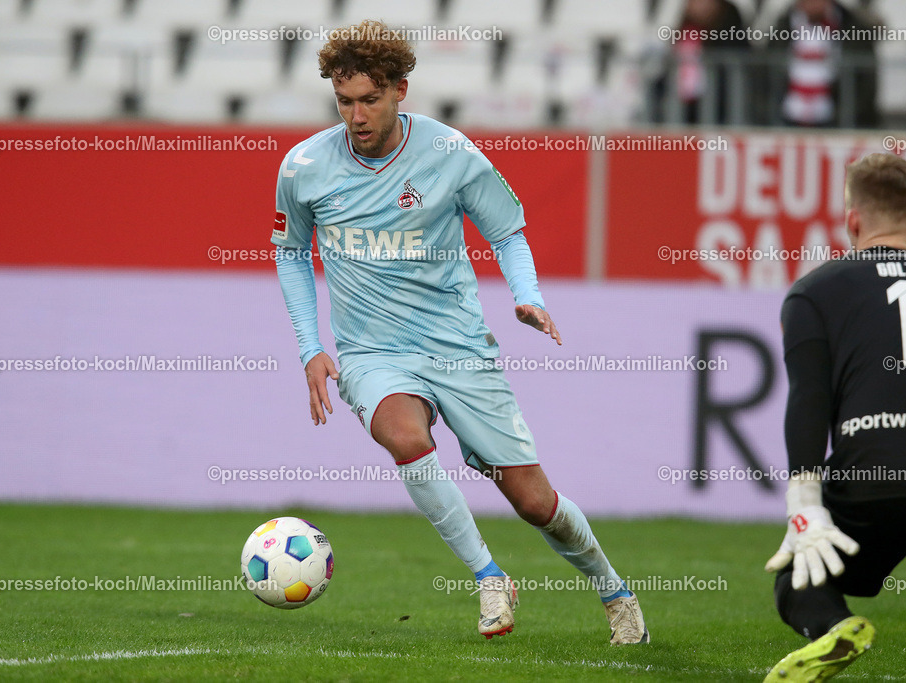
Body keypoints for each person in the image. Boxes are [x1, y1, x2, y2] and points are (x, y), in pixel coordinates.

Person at [271, 20, 647, 644]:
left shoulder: (450, 153)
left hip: (458, 347)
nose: (356, 116)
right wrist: (311, 348)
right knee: (403, 435)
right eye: (344, 101)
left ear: (400, 90)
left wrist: (527, 297)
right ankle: (489, 576)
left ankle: (614, 591)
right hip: (372, 352)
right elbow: (290, 253)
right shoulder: (304, 166)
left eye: (370, 99)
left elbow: (507, 232)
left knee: (535, 503)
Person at [763, 153, 906, 681]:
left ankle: (834, 627)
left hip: (873, 480)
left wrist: (804, 502)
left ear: (852, 219)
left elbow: (809, 399)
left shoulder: (813, 292)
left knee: (799, 574)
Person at [766, 0, 877, 128]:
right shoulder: (784, 25)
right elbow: (765, 72)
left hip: (835, 121)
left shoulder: (851, 26)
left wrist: (848, 116)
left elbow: (865, 80)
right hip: (788, 118)